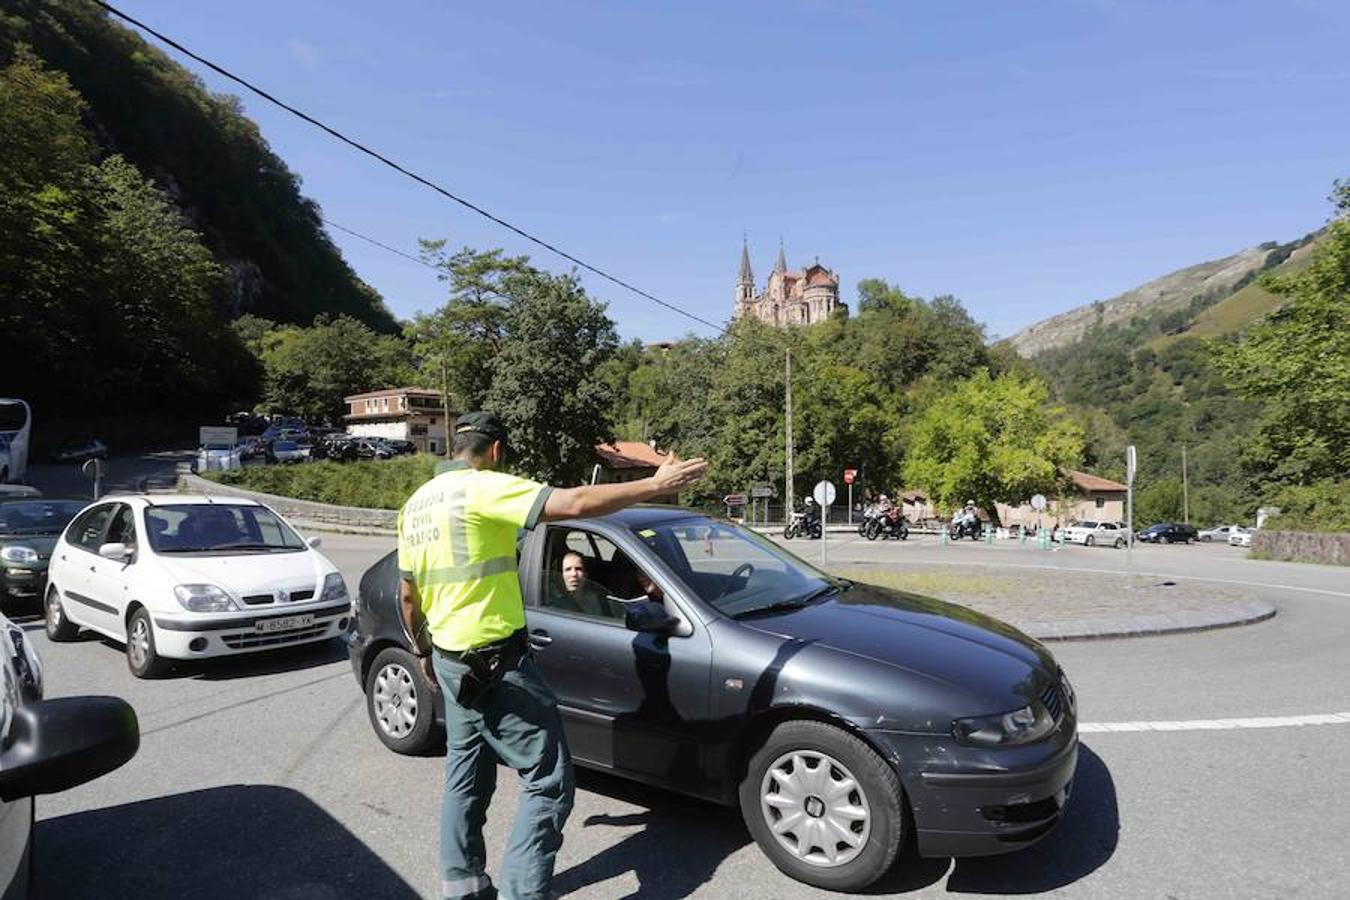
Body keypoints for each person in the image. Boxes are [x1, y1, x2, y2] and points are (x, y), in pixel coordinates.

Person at [398, 411, 706, 900]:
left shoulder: (415, 506)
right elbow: (577, 501)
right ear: (495, 450)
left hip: (452, 659)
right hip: (497, 660)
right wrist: (656, 481)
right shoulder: (482, 487)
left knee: (466, 771)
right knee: (547, 781)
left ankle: (462, 885)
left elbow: (409, 598)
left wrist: (422, 651)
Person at [554, 551, 617, 618]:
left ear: (586, 574)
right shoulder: (555, 607)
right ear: (561, 576)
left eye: (578, 569)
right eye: (568, 569)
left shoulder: (599, 601)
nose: (574, 574)